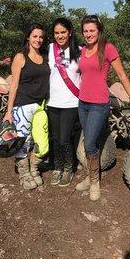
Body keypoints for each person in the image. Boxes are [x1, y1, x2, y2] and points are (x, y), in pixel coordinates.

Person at [76, 15, 130, 201]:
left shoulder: (107, 48)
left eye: (92, 30)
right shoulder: (83, 50)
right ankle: (90, 175)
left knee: (90, 142)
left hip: (99, 103)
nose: (88, 34)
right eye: (85, 31)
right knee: (89, 140)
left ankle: (94, 181)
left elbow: (122, 75)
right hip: (82, 103)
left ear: (99, 31)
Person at [3, 23, 50, 190]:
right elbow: (14, 85)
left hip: (40, 106)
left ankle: (35, 167)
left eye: (41, 36)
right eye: (35, 36)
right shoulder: (20, 57)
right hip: (22, 106)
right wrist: (9, 112)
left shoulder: (45, 56)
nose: (38, 39)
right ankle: (24, 173)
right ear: (28, 37)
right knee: (24, 141)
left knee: (43, 142)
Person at [48, 18, 81, 187]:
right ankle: (57, 167)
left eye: (63, 32)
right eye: (56, 33)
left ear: (70, 32)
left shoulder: (80, 51)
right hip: (52, 102)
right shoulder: (49, 50)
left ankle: (68, 168)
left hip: (71, 103)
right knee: (54, 137)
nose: (60, 36)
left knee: (64, 138)